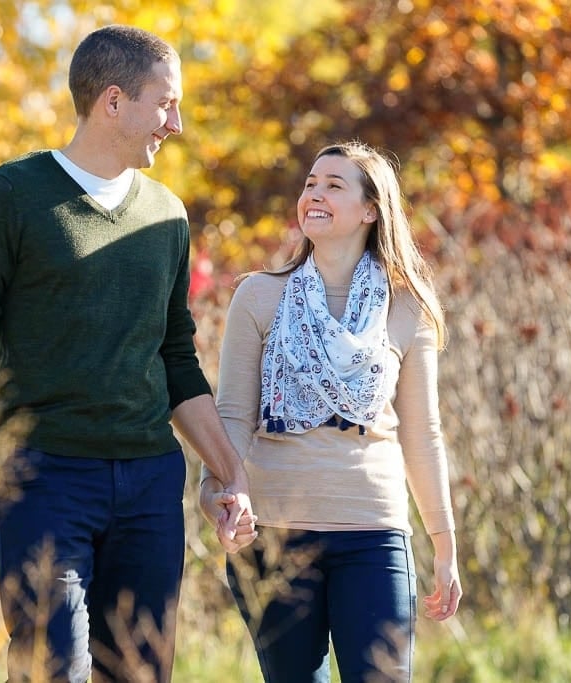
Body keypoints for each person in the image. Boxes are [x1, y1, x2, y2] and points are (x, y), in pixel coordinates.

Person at [0, 25, 254, 683]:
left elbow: (176, 356)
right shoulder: (11, 195)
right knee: (51, 669)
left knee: (138, 673)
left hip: (151, 481)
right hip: (43, 479)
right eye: (166, 103)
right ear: (114, 101)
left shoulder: (167, 216)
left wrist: (228, 470)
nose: (176, 124)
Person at [200, 141, 462, 682]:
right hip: (273, 535)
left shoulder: (407, 306)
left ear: (371, 209)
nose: (313, 194)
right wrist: (220, 493)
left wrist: (443, 544)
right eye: (310, 184)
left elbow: (423, 435)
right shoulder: (257, 296)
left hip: (374, 533)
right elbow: (231, 419)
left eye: (333, 185)